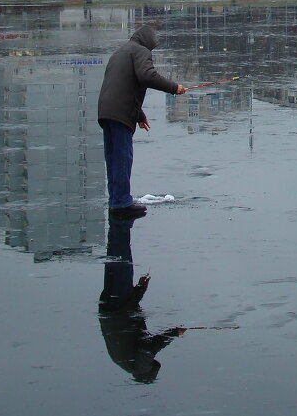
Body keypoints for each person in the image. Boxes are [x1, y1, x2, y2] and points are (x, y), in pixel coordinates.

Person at [98, 25, 185, 219]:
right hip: (120, 111)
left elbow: (122, 85)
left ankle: (116, 200)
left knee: (112, 158)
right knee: (122, 158)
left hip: (106, 109)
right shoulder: (141, 51)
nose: (151, 51)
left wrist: (139, 115)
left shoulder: (120, 51)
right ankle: (121, 203)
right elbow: (147, 76)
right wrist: (174, 87)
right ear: (147, 42)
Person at [98, 219, 186, 383]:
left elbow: (148, 348)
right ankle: (116, 223)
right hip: (110, 308)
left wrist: (174, 333)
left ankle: (121, 220)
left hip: (119, 307)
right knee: (113, 261)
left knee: (121, 260)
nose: (152, 360)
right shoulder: (123, 362)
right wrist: (140, 289)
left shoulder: (141, 367)